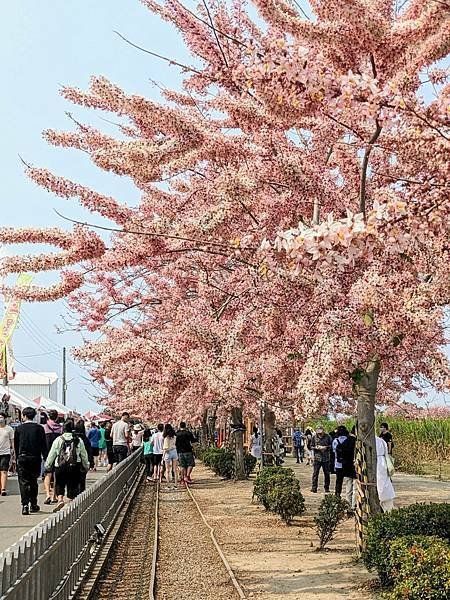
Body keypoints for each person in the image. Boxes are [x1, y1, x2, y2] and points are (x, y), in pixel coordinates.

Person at [45, 419, 89, 512]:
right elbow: (84, 455)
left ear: (63, 429)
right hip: (74, 466)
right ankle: (69, 503)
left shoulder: (58, 439)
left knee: (60, 484)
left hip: (60, 466)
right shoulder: (78, 440)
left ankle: (60, 499)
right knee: (72, 486)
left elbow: (52, 454)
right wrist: (86, 465)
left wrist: (48, 465)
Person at [14, 407, 47, 515]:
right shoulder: (39, 428)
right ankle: (33, 503)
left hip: (22, 457)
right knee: (33, 481)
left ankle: (24, 505)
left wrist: (17, 457)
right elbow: (43, 445)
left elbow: (16, 445)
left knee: (23, 482)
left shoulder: (19, 429)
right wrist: (46, 457)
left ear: (24, 416)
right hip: (35, 458)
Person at [42, 409, 63, 505]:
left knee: (48, 474)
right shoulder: (60, 428)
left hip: (47, 453)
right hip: (58, 454)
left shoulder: (44, 427)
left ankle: (47, 494)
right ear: (57, 417)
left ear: (48, 417)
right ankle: (54, 495)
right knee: (56, 475)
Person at [376, 435, 395, 512]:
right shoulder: (381, 441)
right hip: (383, 464)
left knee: (380, 485)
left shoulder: (367, 442)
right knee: (384, 485)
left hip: (377, 464)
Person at [310, 426, 332, 493]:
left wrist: (326, 447)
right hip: (317, 458)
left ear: (323, 431)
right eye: (318, 433)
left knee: (327, 474)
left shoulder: (328, 437)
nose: (319, 434)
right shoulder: (314, 437)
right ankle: (314, 488)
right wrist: (316, 448)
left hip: (326, 458)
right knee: (315, 474)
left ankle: (326, 488)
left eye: (320, 433)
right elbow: (311, 446)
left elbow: (331, 445)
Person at [74, 420, 93, 493]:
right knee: (82, 481)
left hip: (74, 461)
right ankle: (81, 494)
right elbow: (89, 451)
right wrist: (90, 462)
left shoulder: (74, 438)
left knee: (74, 480)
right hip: (83, 462)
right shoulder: (85, 439)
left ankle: (74, 495)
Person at [0, 412, 14, 496]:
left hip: (5, 453)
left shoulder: (9, 429)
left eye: (1, 417)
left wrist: (14, 452)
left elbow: (12, 441)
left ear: (5, 418)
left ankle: (3, 489)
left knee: (4, 471)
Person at [332, 425, 349, 496]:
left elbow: (334, 451)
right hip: (348, 463)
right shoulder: (349, 440)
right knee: (348, 481)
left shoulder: (335, 441)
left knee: (338, 480)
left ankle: (337, 493)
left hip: (338, 463)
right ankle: (348, 495)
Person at [163, 424, 178, 489]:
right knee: (175, 469)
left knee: (167, 470)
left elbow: (166, 448)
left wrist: (163, 456)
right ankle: (176, 485)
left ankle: (168, 485)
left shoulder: (166, 438)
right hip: (174, 452)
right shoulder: (174, 436)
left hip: (168, 453)